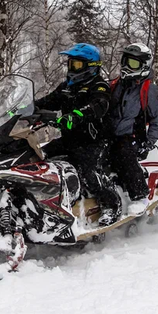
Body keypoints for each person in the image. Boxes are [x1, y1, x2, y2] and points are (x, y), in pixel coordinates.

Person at [36, 43, 121, 226]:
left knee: (87, 170)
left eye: (77, 64)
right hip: (70, 140)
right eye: (71, 63)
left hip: (94, 141)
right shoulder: (67, 87)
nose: (72, 68)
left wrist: (76, 116)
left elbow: (98, 106)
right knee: (38, 157)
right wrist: (20, 111)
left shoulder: (99, 87)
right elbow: (47, 102)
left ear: (91, 66)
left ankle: (111, 206)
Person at [107, 42, 158, 215]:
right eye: (125, 61)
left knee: (123, 155)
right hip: (111, 134)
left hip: (132, 137)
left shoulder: (148, 90)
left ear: (144, 65)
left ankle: (140, 195)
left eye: (132, 63)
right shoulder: (117, 85)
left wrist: (148, 143)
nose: (126, 67)